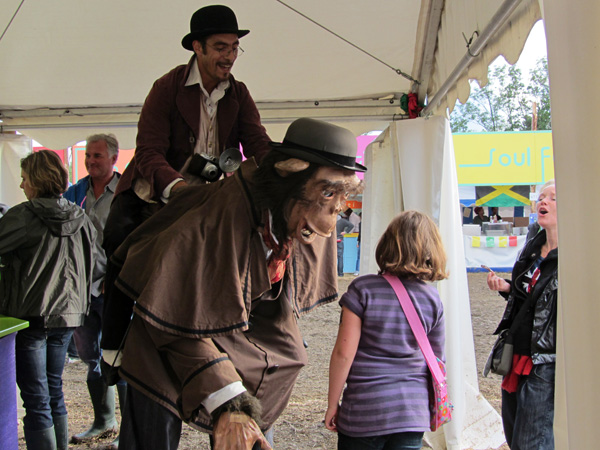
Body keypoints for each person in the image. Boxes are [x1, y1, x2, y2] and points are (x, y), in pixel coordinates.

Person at [100, 117, 366, 449]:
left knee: (250, 417)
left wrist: (243, 407)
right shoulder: (218, 220)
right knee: (156, 415)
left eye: (341, 194)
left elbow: (276, 320)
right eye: (328, 191)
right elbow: (179, 321)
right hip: (166, 325)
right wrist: (232, 405)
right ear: (290, 175)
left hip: (235, 328)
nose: (337, 209)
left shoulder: (295, 212)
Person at [102, 4, 271, 260]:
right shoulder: (166, 88)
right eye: (220, 47)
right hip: (159, 202)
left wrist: (282, 165)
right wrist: (179, 189)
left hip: (212, 200)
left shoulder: (239, 93)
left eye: (235, 47)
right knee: (123, 260)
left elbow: (257, 142)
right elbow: (149, 151)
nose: (229, 56)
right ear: (198, 47)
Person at [325, 210, 448, 450]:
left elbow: (344, 353)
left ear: (387, 244)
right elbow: (436, 360)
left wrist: (332, 404)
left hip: (364, 409)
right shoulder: (433, 298)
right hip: (411, 413)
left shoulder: (363, 289)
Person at [0, 150, 96, 450]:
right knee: (53, 391)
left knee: (36, 399)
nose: (22, 186)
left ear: (37, 180)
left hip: (32, 314)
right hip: (69, 315)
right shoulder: (80, 215)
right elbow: (98, 261)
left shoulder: (24, 216)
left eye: (25, 179)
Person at [63, 134, 125, 449]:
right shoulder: (74, 193)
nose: (91, 161)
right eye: (89, 155)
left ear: (113, 159)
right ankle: (103, 421)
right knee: (92, 359)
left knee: (122, 358)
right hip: (82, 291)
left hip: (116, 288)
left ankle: (130, 429)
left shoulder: (128, 192)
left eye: (98, 156)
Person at [486, 180, 558, 449]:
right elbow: (530, 297)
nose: (544, 202)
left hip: (544, 361)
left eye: (553, 198)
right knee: (515, 436)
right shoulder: (532, 248)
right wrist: (507, 287)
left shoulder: (575, 255)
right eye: (541, 197)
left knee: (532, 441)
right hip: (516, 353)